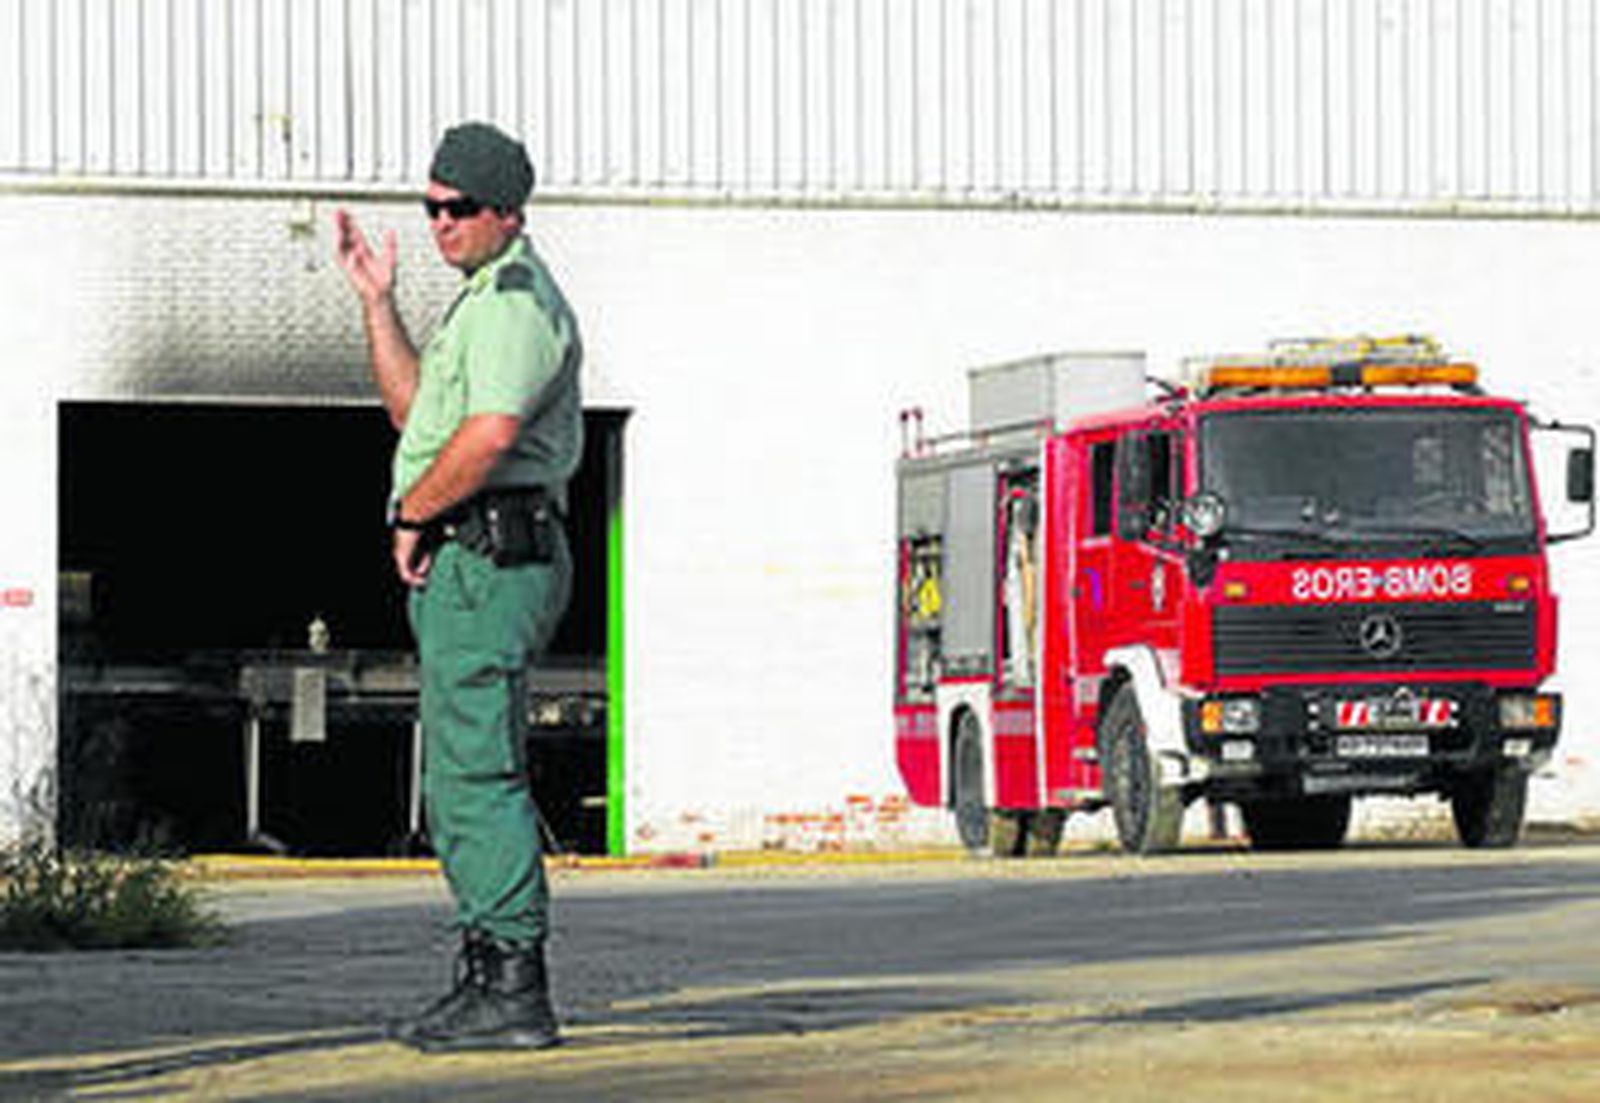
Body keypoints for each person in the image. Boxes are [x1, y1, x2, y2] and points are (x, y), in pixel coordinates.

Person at [333, 121, 582, 1053]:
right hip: (472, 557)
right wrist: (377, 303)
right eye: (430, 206)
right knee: (458, 775)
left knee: (476, 773)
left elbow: (484, 440)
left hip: (492, 555)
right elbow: (417, 418)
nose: (439, 223)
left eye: (457, 209)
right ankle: (489, 969)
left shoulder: (516, 302)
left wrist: (412, 516)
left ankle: (513, 982)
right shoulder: (477, 301)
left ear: (507, 214)